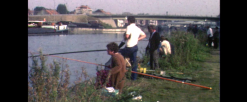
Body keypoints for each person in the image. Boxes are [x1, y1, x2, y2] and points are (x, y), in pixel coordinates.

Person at [120, 16, 146, 80]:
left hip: (129, 47)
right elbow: (144, 35)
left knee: (119, 54)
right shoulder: (137, 28)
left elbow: (127, 36)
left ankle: (120, 73)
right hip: (135, 47)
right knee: (134, 63)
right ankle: (134, 78)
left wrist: (125, 38)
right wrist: (137, 39)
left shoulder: (129, 27)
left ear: (129, 21)